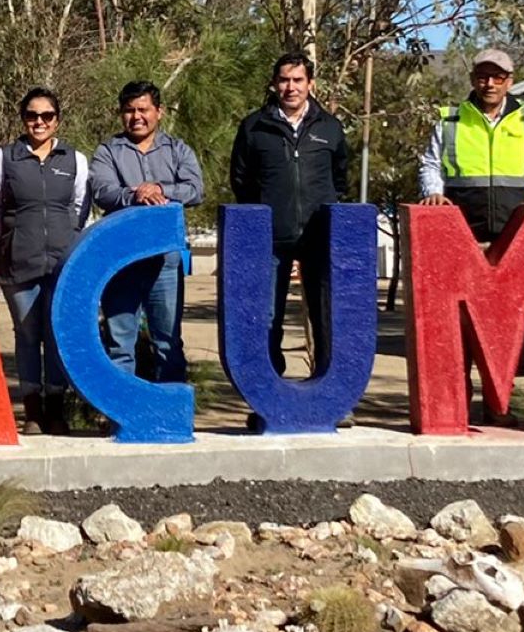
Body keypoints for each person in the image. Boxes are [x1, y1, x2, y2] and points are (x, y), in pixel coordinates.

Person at [229, 53, 351, 380]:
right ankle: (270, 391)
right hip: (269, 240)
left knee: (327, 315)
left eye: (298, 80)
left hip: (318, 238)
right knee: (266, 317)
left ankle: (330, 388)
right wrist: (265, 214)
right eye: (284, 80)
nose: (291, 87)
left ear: (310, 84)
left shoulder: (331, 127)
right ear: (274, 84)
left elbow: (339, 179)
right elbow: (241, 180)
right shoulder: (253, 127)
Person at [0, 87, 88, 435]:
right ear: (23, 118)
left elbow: (79, 209)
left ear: (57, 120)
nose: (39, 122)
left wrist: (61, 237)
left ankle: (56, 409)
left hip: (62, 264)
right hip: (19, 262)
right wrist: (16, 234)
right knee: (27, 335)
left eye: (47, 116)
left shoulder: (75, 159)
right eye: (32, 115)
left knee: (56, 334)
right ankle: (31, 413)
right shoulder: (3, 157)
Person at [89, 80, 204, 384]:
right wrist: (136, 193)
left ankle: (171, 415)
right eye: (129, 110)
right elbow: (102, 191)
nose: (136, 116)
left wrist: (161, 189)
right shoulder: (107, 152)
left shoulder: (178, 150)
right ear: (120, 114)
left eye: (144, 109)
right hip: (121, 261)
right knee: (119, 341)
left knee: (168, 342)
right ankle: (119, 412)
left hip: (165, 260)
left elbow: (195, 190)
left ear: (159, 112)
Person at [419, 47, 524, 242]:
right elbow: (430, 164)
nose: (490, 84)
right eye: (482, 77)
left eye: (498, 78)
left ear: (509, 81)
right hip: (465, 234)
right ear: (472, 79)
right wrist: (433, 192)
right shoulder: (450, 120)